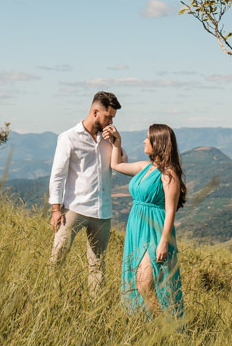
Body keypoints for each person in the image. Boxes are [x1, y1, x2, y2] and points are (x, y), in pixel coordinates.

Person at [48, 91, 126, 293]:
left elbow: (121, 164)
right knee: (58, 258)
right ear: (95, 112)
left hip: (102, 211)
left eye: (112, 118)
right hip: (74, 208)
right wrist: (56, 209)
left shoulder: (109, 138)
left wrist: (117, 142)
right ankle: (52, 298)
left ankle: (95, 308)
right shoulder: (68, 138)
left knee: (98, 265)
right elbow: (58, 174)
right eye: (108, 116)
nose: (110, 122)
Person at [110, 123, 186, 317]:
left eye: (147, 137)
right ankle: (148, 323)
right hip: (136, 227)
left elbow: (170, 210)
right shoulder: (146, 168)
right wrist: (117, 142)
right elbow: (116, 165)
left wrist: (163, 243)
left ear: (158, 142)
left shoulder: (169, 174)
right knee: (138, 281)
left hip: (155, 229)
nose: (144, 141)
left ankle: (162, 324)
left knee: (144, 284)